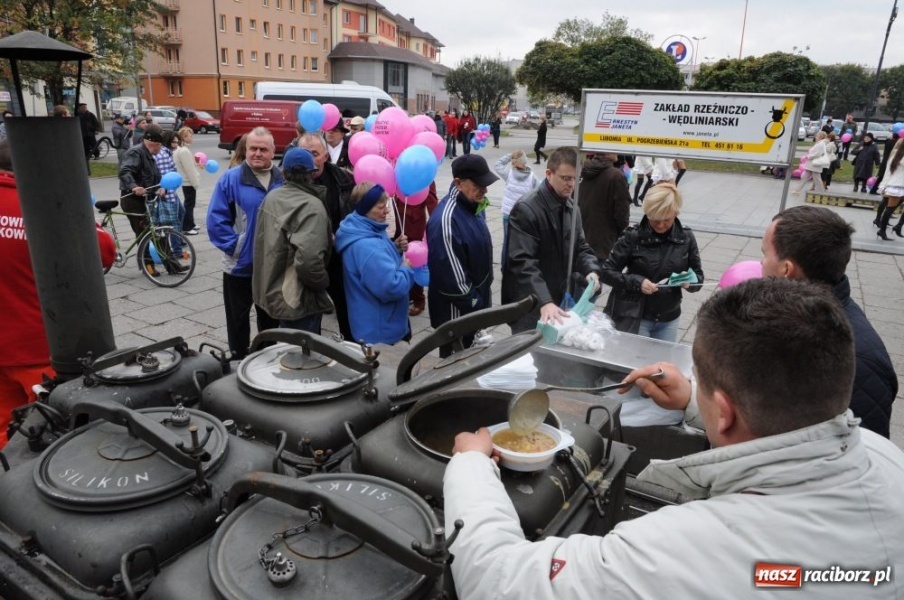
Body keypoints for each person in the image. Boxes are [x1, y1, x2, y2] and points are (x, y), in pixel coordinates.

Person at [443, 278, 904, 600]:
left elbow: (497, 580)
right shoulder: (887, 458)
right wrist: (691, 403)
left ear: (723, 412)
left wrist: (470, 466)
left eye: (700, 385)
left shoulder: (676, 553)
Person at [761, 205, 897, 437]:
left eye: (764, 253)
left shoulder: (857, 360)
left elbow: (863, 449)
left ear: (786, 269)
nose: (761, 263)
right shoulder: (787, 314)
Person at [501, 146, 601, 334]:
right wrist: (544, 300)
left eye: (575, 178)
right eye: (566, 178)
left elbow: (580, 246)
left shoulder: (572, 207)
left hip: (559, 298)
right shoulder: (527, 208)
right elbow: (522, 262)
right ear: (549, 174)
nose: (571, 184)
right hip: (530, 304)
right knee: (528, 359)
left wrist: (591, 269)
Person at [207, 126, 282, 360]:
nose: (257, 153)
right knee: (237, 318)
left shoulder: (282, 180)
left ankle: (267, 359)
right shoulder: (231, 179)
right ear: (246, 150)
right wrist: (237, 248)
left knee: (269, 318)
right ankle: (239, 358)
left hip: (272, 268)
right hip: (239, 266)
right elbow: (215, 221)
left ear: (272, 152)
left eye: (263, 149)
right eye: (252, 149)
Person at [0, 139, 53, 448]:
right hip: (38, 348)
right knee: (49, 428)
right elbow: (103, 250)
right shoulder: (39, 204)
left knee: (6, 433)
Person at [601, 182, 703, 342]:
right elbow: (606, 272)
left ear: (676, 212)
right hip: (638, 316)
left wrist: (689, 282)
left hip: (670, 317)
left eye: (666, 219)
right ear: (647, 213)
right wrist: (637, 282)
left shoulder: (686, 237)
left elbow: (699, 278)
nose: (661, 225)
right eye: (655, 220)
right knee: (637, 363)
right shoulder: (633, 236)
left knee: (663, 365)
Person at [252, 148, 333, 335]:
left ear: (285, 172)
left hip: (272, 290)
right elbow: (309, 263)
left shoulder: (272, 197)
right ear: (311, 173)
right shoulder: (312, 206)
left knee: (285, 351)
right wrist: (323, 283)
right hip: (297, 296)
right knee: (305, 355)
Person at [427, 155, 499, 357]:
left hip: (475, 306)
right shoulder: (446, 219)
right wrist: (476, 307)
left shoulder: (472, 205)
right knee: (454, 367)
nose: (485, 189)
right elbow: (453, 281)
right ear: (458, 183)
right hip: (457, 314)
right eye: (479, 184)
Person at [334, 183, 415, 345]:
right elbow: (391, 287)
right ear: (365, 208)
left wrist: (394, 249)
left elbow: (372, 267)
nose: (386, 210)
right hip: (382, 333)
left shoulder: (359, 228)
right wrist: (406, 269)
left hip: (368, 322)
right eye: (380, 207)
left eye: (386, 206)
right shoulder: (368, 246)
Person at [298, 132, 356, 340]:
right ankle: (312, 352)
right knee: (309, 313)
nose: (310, 158)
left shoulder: (344, 179)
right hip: (306, 257)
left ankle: (351, 348)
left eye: (314, 153)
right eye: (304, 153)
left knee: (345, 305)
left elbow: (355, 214)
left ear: (325, 156)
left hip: (338, 255)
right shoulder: (290, 181)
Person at [578, 152, 632, 262]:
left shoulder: (584, 170)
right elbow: (622, 215)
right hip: (605, 246)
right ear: (606, 152)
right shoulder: (615, 176)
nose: (618, 151)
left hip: (582, 242)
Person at [395, 182, 438, 316]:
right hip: (395, 222)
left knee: (414, 260)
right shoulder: (394, 166)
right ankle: (406, 293)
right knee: (397, 260)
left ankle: (419, 299)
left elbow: (432, 204)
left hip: (414, 225)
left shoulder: (424, 176)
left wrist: (436, 225)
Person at [119, 124, 166, 239]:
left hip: (145, 199)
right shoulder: (136, 152)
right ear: (155, 143)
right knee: (144, 235)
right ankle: (144, 257)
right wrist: (133, 186)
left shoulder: (147, 154)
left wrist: (160, 187)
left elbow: (154, 176)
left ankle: (165, 256)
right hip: (133, 200)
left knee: (155, 234)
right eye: (161, 145)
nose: (161, 149)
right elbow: (125, 171)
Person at [494, 150, 539, 268]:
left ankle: (505, 267)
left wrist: (510, 156)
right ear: (525, 161)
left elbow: (497, 165)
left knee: (506, 242)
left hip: (507, 214)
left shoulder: (508, 174)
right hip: (522, 215)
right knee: (521, 243)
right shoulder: (532, 178)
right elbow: (539, 192)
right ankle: (518, 267)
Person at [173, 127, 201, 235]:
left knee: (190, 203)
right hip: (188, 181)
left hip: (186, 180)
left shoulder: (181, 149)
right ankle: (187, 226)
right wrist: (196, 183)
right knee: (189, 204)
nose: (192, 137)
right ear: (184, 137)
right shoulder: (184, 151)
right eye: (190, 135)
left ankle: (191, 223)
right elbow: (189, 169)